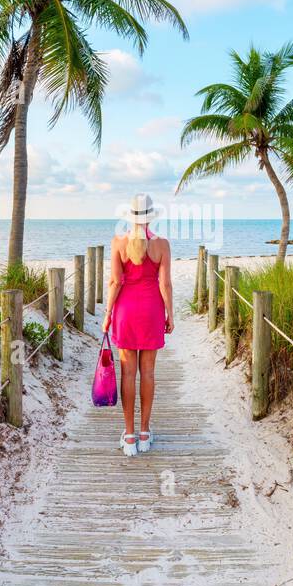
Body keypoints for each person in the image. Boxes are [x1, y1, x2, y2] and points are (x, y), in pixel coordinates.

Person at [103, 193, 173, 456]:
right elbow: (165, 284)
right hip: (151, 311)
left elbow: (115, 282)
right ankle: (145, 432)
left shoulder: (118, 243)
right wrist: (170, 315)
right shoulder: (162, 245)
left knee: (128, 374)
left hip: (125, 312)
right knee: (149, 373)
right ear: (150, 216)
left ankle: (129, 435)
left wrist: (108, 314)